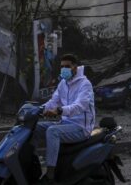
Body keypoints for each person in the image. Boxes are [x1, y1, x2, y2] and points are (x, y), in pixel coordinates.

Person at [33, 53, 95, 183]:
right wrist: (38, 109)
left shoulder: (85, 84)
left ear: (75, 67)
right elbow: (53, 101)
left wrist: (60, 110)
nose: (64, 69)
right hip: (65, 124)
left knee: (52, 131)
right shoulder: (63, 83)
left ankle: (50, 174)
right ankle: (32, 164)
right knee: (35, 128)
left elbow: (79, 106)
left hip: (81, 128)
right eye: (62, 67)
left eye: (67, 66)